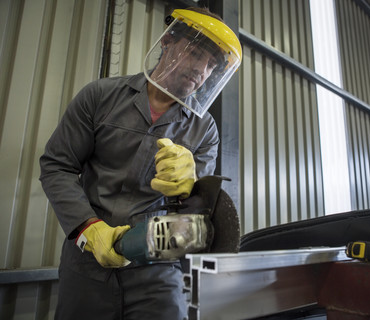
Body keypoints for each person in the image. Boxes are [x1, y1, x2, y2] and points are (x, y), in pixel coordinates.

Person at [39, 7, 242, 320]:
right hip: (87, 261)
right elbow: (57, 166)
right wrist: (88, 228)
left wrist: (192, 184)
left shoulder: (205, 130)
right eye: (196, 52)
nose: (201, 69)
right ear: (168, 41)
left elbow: (196, 216)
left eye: (210, 64)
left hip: (157, 268)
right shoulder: (99, 97)